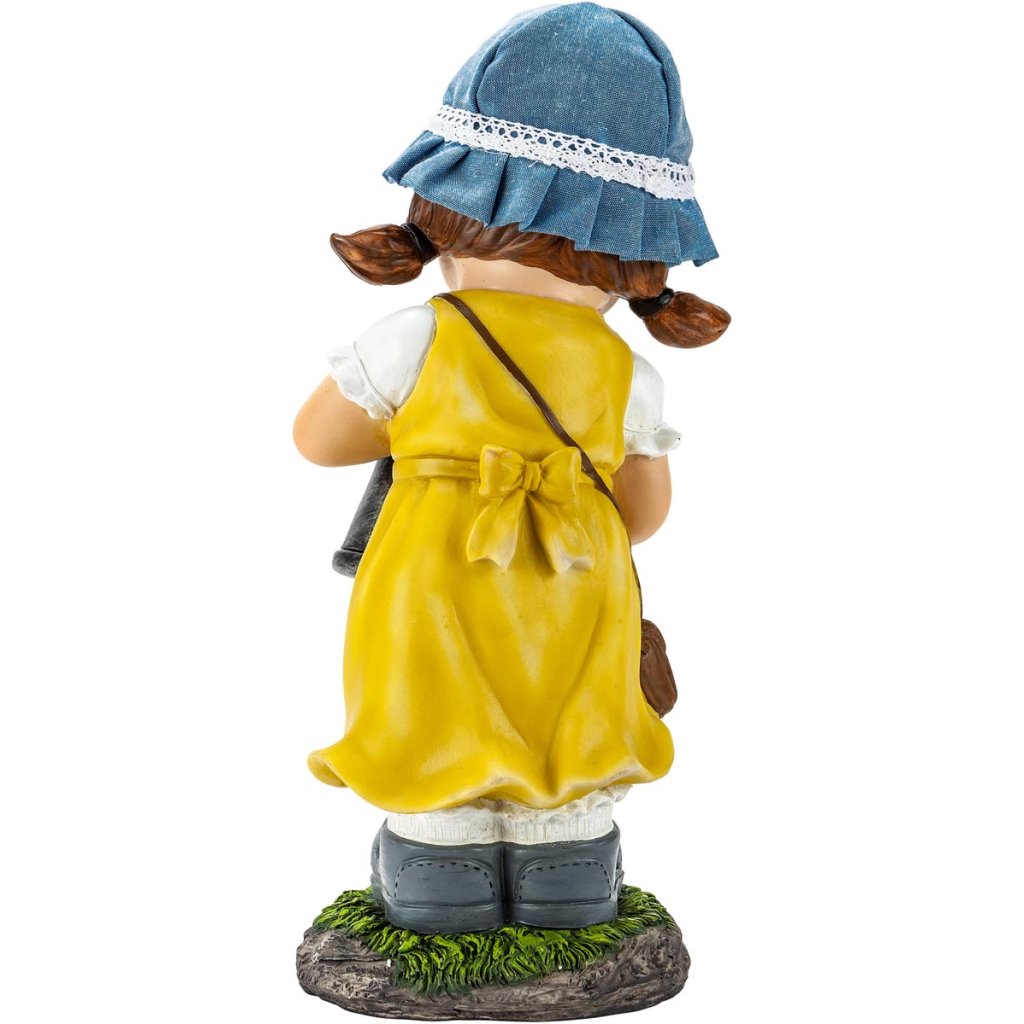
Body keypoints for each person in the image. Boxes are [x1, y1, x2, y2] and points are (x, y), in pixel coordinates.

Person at [293, 2, 729, 934]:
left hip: (433, 572)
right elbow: (642, 515)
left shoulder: (415, 337)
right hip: (578, 580)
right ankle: (567, 867)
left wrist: (431, 438)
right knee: (568, 703)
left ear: (446, 214)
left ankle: (438, 869)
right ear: (636, 260)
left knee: (432, 693)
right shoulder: (629, 373)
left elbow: (318, 440)